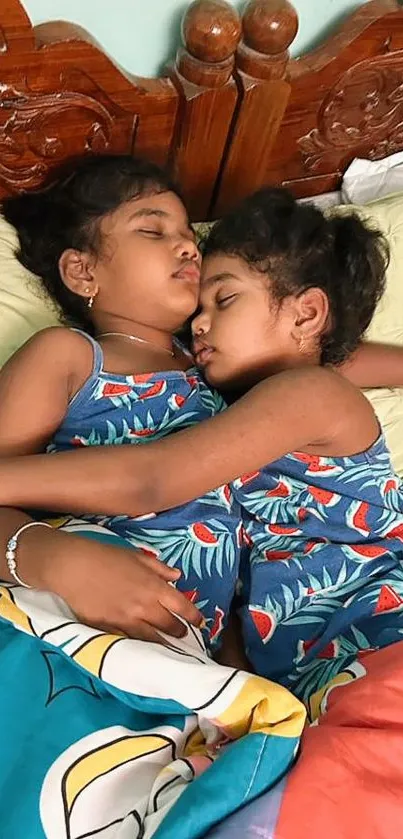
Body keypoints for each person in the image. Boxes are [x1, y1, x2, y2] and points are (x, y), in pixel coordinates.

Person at [2, 181, 403, 694]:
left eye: (224, 299)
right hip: (275, 675)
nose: (202, 325)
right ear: (82, 269)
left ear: (306, 314)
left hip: (367, 638)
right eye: (152, 228)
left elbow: (156, 478)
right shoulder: (205, 377)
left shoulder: (289, 390)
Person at [0, 154, 242, 649]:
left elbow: (324, 353)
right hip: (67, 616)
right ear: (82, 271)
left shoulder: (216, 361)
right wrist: (55, 559)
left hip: (187, 654)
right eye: (153, 232)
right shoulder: (70, 357)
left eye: (192, 238)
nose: (187, 248)